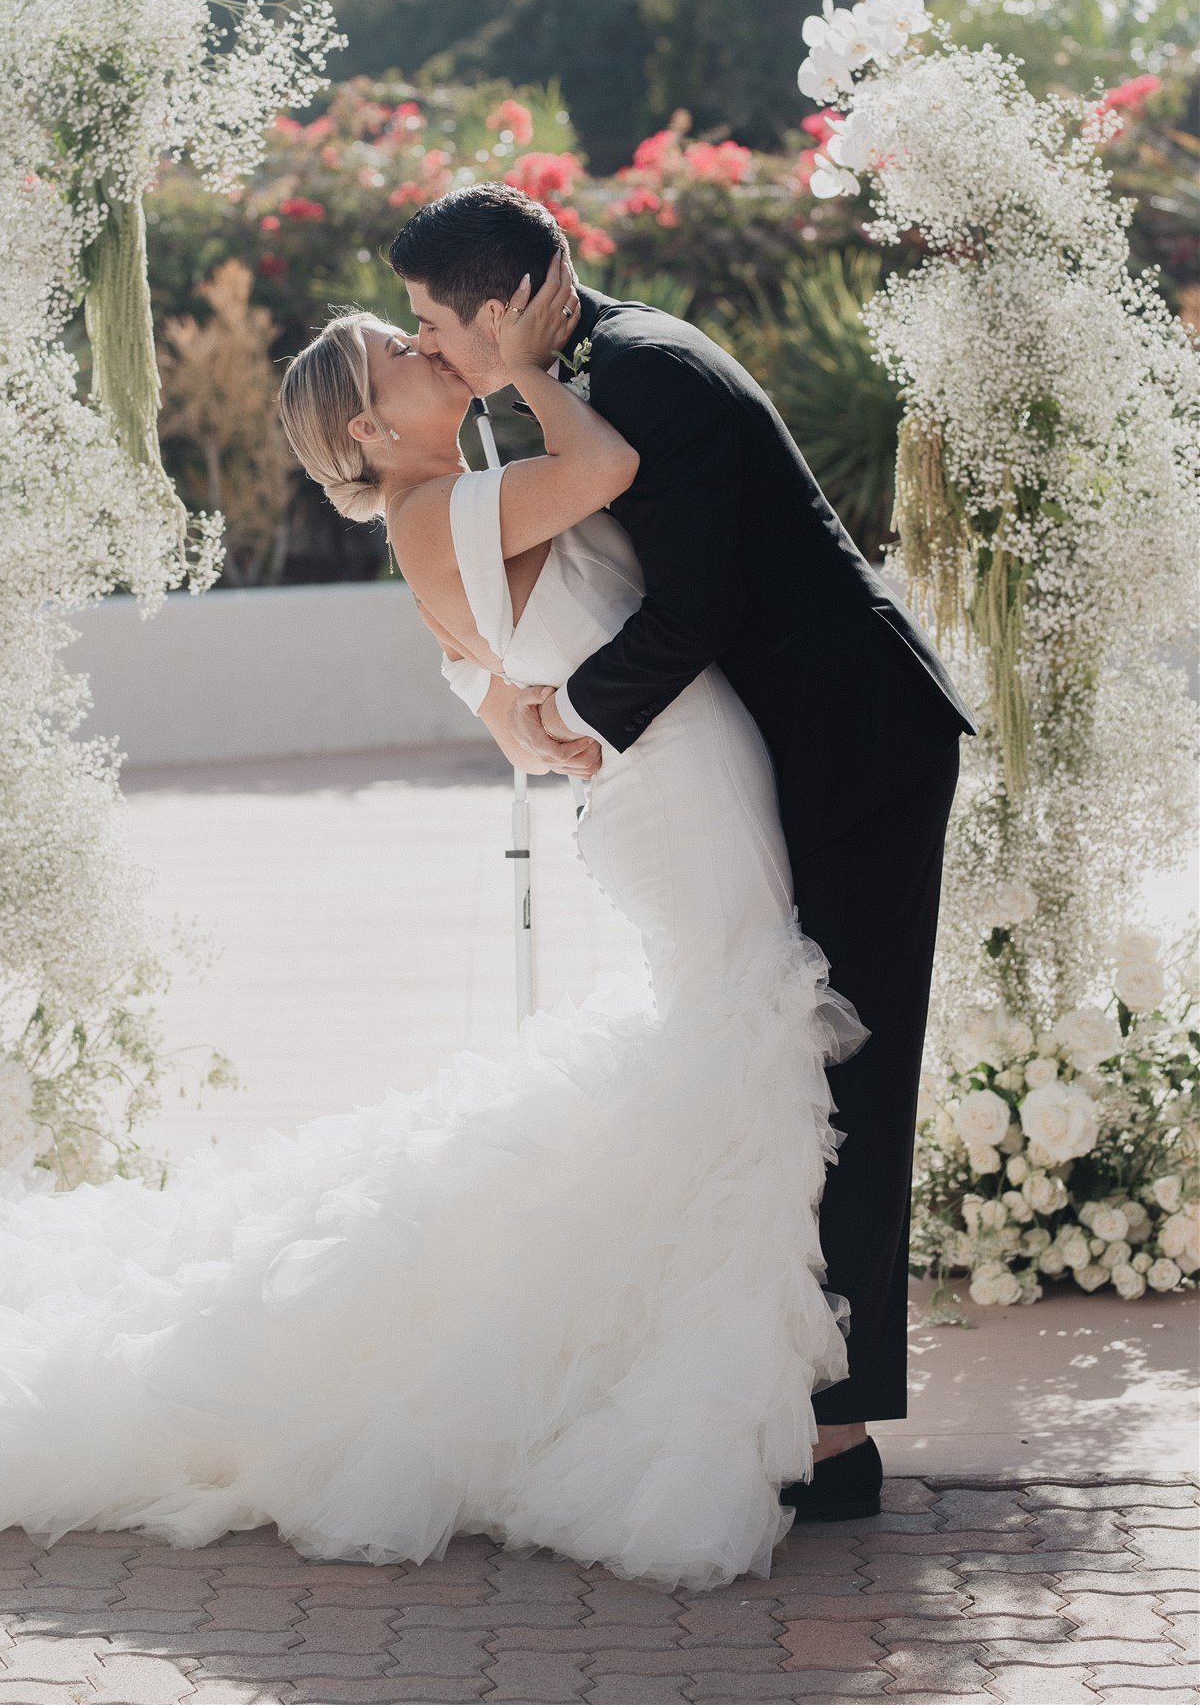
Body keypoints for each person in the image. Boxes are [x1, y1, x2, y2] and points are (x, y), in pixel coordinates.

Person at [0, 251, 864, 1593]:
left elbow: (499, 711)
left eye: (424, 339)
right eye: (406, 357)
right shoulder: (444, 511)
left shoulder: (444, 515)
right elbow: (601, 474)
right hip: (674, 797)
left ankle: (693, 1361)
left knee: (726, 1051)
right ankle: (722, 1389)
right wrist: (529, 363)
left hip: (664, 786)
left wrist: (541, 715)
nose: (437, 356)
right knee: (739, 1046)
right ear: (370, 430)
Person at [386, 184, 975, 1520]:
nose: (426, 349)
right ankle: (789, 1397)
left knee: (845, 1063)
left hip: (856, 746)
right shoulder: (564, 378)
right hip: (789, 747)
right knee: (789, 1053)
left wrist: (578, 717)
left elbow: (701, 597)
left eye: (433, 323)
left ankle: (833, 1440)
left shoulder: (643, 371)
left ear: (499, 309)